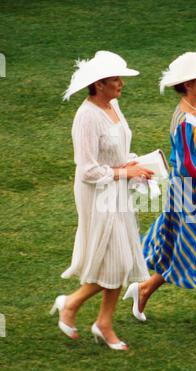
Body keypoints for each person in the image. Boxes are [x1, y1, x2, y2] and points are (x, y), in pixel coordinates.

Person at [123, 52, 196, 340]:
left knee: (182, 245)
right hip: (192, 193)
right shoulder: (186, 121)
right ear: (189, 84)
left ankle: (144, 289)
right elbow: (194, 166)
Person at [50, 51, 153, 350]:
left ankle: (102, 322)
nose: (121, 84)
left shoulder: (114, 106)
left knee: (121, 260)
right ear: (99, 84)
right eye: (115, 80)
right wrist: (125, 172)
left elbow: (119, 151)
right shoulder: (86, 117)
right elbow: (87, 170)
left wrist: (138, 165)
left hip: (117, 190)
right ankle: (71, 304)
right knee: (115, 261)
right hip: (96, 194)